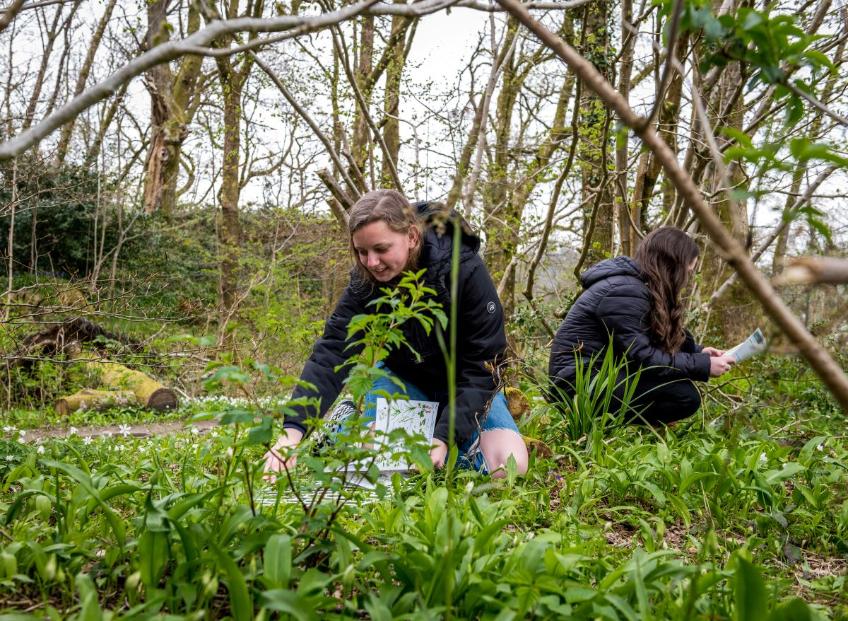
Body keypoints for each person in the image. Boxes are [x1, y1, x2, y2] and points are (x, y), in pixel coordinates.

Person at [264, 189, 529, 477]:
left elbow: (484, 366)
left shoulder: (464, 271)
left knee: (507, 467)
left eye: (381, 249)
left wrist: (443, 437)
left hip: (464, 386)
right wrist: (293, 431)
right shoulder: (366, 280)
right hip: (405, 379)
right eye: (361, 252)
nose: (370, 262)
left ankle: (444, 442)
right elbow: (333, 350)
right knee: (375, 465)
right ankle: (347, 422)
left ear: (412, 237)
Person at [547, 226, 736, 424]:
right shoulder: (624, 291)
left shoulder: (638, 287)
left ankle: (609, 427)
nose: (687, 280)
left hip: (591, 377)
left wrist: (700, 352)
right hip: (576, 386)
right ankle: (596, 425)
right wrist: (704, 366)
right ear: (672, 265)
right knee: (683, 396)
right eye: (687, 272)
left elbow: (649, 337)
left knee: (679, 391)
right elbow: (645, 358)